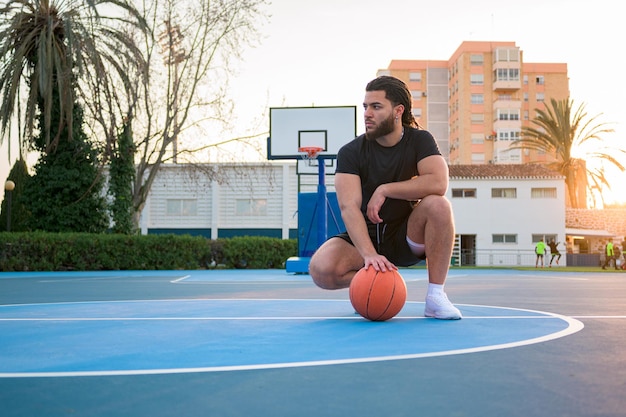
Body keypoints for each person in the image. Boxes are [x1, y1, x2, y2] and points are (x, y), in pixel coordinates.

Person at [308, 75, 461, 320]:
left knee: (438, 205)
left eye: (376, 107)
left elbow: (438, 183)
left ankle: (435, 297)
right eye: (365, 106)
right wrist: (369, 255)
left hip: (405, 235)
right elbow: (349, 207)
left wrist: (385, 189)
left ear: (398, 111)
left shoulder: (420, 140)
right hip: (364, 236)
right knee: (321, 269)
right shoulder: (351, 152)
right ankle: (382, 283)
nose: (367, 113)